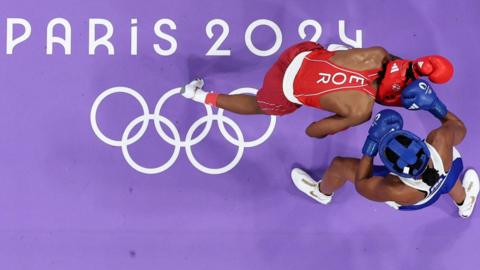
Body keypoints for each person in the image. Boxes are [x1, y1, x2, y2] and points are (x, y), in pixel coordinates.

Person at [181, 41, 453, 138]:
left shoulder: (379, 54)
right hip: (283, 87)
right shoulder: (361, 109)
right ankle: (199, 95)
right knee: (260, 106)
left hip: (300, 51)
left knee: (335, 53)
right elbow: (312, 131)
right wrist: (340, 122)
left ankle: (335, 53)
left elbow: (398, 65)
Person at [291, 79, 479, 218]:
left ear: (396, 173)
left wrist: (371, 145)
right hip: (448, 172)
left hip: (417, 199)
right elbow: (459, 127)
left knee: (339, 165)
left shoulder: (397, 190)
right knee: (449, 179)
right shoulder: (441, 140)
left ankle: (322, 192)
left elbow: (362, 185)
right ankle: (464, 203)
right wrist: (434, 105)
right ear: (423, 144)